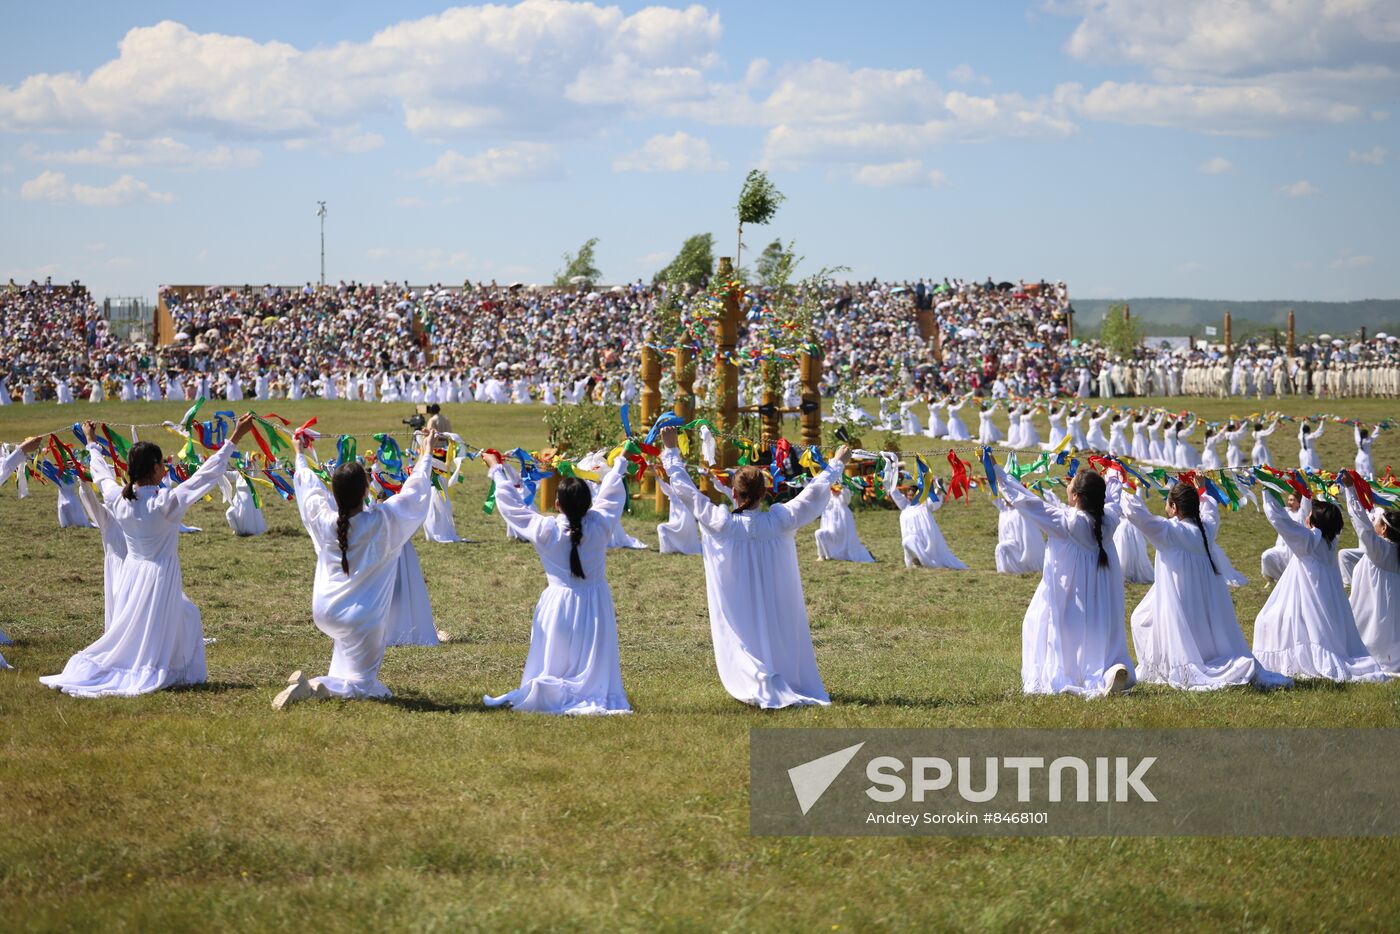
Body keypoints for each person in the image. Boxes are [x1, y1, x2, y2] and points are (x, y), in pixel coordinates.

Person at [41, 416, 255, 697]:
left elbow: (101, 473)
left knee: (184, 615)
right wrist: (235, 437)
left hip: (132, 572)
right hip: (158, 574)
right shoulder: (164, 503)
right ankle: (162, 670)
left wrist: (92, 441)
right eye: (162, 465)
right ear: (155, 468)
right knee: (160, 627)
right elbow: (204, 476)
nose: (165, 469)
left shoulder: (119, 498)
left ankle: (182, 671)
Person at [658, 426, 848, 708]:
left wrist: (671, 451)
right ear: (765, 492)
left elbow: (687, 492)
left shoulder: (722, 523)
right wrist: (837, 463)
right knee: (774, 626)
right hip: (774, 597)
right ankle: (776, 675)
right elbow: (813, 494)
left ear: (733, 494)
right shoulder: (779, 520)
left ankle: (756, 675)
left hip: (738, 599)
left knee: (745, 629)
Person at [277, 429, 436, 707]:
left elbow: (309, 488)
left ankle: (329, 681)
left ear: (334, 492)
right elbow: (414, 493)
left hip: (325, 611)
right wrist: (426, 453)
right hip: (362, 619)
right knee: (367, 686)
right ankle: (314, 686)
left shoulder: (324, 520)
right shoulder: (382, 521)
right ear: (366, 490)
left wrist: (299, 453)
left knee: (349, 656)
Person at [480, 448, 631, 715]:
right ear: (589, 502)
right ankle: (588, 690)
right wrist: (619, 465)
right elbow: (611, 495)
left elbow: (511, 506)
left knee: (555, 655)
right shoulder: (601, 524)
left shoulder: (546, 530)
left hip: (558, 603)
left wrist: (496, 469)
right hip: (595, 603)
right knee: (590, 654)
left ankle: (554, 689)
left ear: (557, 504)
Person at [1120, 482, 1290, 690]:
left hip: (1180, 598)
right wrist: (1203, 490)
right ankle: (1166, 662)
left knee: (1144, 619)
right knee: (1143, 617)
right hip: (1203, 597)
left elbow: (1140, 517)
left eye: (1167, 502)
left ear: (1174, 508)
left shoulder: (1171, 531)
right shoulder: (1205, 530)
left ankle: (1171, 663)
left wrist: (1122, 488)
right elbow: (1211, 511)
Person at [995, 463, 1134, 697]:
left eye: (1069, 485)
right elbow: (1113, 497)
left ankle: (1083, 678)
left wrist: (998, 473)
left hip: (1072, 596)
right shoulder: (1109, 519)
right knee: (1097, 635)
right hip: (1102, 599)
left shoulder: (1067, 523)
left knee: (1044, 625)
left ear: (1076, 496)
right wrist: (1113, 474)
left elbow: (1027, 502)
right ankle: (1107, 673)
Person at [1251, 490, 1389, 682]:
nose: (1306, 515)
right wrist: (1308, 492)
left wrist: (1267, 489)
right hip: (1326, 603)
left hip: (1307, 602)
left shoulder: (1308, 541)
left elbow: (1279, 519)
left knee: (1266, 619)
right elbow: (1323, 515)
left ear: (1314, 522)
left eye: (1309, 515)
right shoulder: (1329, 540)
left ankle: (1297, 660)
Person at [1340, 473, 1400, 673]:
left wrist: (1350, 491)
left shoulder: (1380, 551)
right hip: (1389, 611)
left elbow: (1361, 525)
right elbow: (1367, 519)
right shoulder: (1391, 550)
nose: (1373, 521)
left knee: (1373, 638)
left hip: (1375, 614)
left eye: (1377, 521)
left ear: (1383, 529)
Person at [883, 458, 968, 570]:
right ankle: (916, 561)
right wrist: (890, 472)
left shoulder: (924, 505)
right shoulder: (905, 506)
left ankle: (927, 561)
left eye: (912, 495)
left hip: (926, 540)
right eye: (908, 495)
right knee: (908, 542)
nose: (910, 497)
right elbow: (894, 492)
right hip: (911, 539)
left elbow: (935, 500)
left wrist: (938, 486)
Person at [814, 482, 875, 563]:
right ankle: (822, 555)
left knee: (850, 548)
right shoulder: (828, 503)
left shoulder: (842, 501)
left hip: (843, 533)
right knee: (818, 533)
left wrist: (843, 487)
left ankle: (857, 554)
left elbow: (847, 497)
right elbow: (816, 494)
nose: (834, 490)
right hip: (831, 532)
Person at [993, 492, 1045, 574]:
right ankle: (1005, 571)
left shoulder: (1021, 512)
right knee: (1002, 547)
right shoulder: (1004, 510)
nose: (1005, 500)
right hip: (1012, 543)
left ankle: (1014, 570)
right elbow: (993, 496)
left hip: (1021, 546)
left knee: (1002, 547)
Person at [1260, 491, 1306, 582]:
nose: (1289, 502)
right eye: (1289, 500)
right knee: (1266, 556)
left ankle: (1291, 580)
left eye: (1292, 500)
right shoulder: (1284, 512)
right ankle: (1274, 579)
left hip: (1294, 550)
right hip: (1280, 549)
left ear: (1299, 502)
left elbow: (1306, 504)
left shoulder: (1302, 515)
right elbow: (1272, 510)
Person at [656, 474, 702, 555]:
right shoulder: (672, 493)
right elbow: (661, 483)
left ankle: (685, 547)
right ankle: (667, 551)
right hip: (674, 525)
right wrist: (654, 471)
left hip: (686, 528)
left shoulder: (690, 494)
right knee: (661, 527)